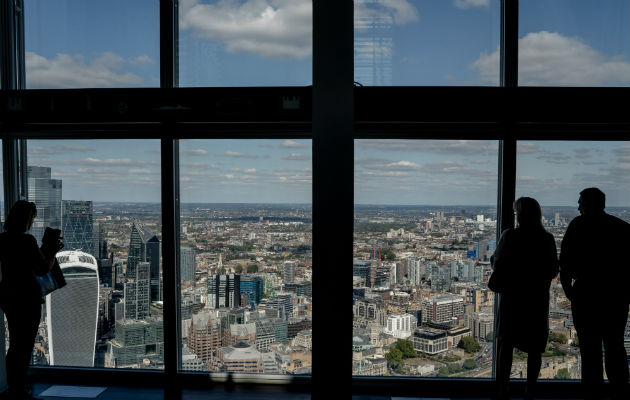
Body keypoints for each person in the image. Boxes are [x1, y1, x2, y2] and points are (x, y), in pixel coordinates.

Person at [560, 188, 630, 400]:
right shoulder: (622, 228)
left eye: (581, 202)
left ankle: (593, 396)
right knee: (615, 347)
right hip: (615, 297)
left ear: (589, 204)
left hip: (586, 295)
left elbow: (564, 263)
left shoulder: (577, 226)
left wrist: (569, 291)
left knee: (589, 352)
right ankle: (620, 392)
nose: (578, 206)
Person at [489, 197, 558, 400]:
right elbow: (553, 270)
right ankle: (530, 391)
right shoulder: (547, 239)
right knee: (535, 348)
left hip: (513, 297)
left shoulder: (510, 236)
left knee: (506, 343)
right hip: (536, 299)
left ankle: (503, 389)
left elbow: (497, 262)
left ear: (520, 214)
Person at [0, 201, 63, 400]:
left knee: (16, 344)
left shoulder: (1, 239)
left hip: (8, 295)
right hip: (27, 297)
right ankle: (18, 390)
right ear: (27, 219)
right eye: (32, 218)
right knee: (25, 345)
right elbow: (42, 268)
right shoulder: (27, 240)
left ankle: (13, 387)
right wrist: (52, 250)